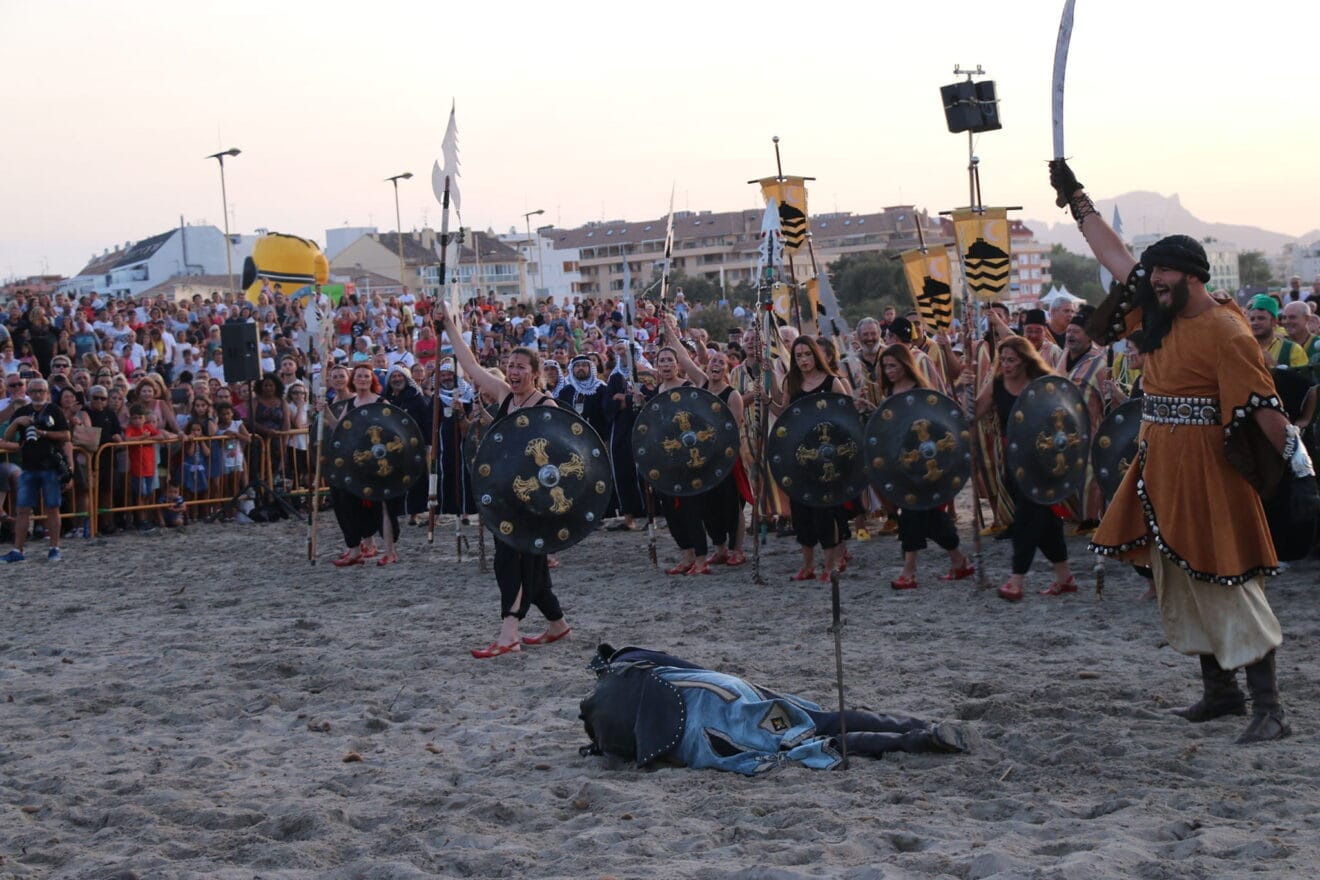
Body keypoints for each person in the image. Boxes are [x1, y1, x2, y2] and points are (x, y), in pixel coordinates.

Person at [1051, 158, 1314, 743]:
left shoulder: (1227, 332)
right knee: (1181, 576)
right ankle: (1220, 692)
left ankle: (1268, 708)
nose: (1152, 280)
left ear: (1192, 276)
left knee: (1230, 577)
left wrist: (1301, 475)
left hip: (1211, 469)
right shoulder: (1157, 311)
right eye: (1153, 273)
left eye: (1164, 272)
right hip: (1160, 463)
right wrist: (1079, 202)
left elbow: (1264, 409)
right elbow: (1114, 257)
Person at [437, 304, 572, 658]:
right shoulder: (503, 396)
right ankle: (556, 624)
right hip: (504, 496)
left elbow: (557, 459)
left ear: (535, 373)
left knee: (511, 561)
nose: (513, 372)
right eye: (510, 366)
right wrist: (449, 323)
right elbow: (470, 365)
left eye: (520, 367)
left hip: (533, 499)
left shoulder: (547, 405)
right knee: (533, 565)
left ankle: (509, 631)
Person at [964, 336, 1076, 601]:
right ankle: (1065, 578)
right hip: (1015, 463)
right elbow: (972, 416)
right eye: (1002, 360)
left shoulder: (1042, 385)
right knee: (1046, 524)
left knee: (1026, 520)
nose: (1006, 364)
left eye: (1011, 360)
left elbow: (1065, 419)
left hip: (1045, 462)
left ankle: (1017, 579)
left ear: (1025, 360)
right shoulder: (997, 385)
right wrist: (965, 388)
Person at [879, 344, 973, 589]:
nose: (888, 371)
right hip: (904, 465)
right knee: (931, 518)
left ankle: (909, 571)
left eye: (893, 365)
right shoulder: (889, 391)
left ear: (904, 365)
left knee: (911, 515)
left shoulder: (922, 392)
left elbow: (940, 425)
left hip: (927, 465)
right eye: (885, 366)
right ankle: (959, 560)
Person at [767, 336, 852, 582]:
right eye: (799, 356)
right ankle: (807, 566)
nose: (803, 359)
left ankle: (829, 565)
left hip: (827, 458)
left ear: (816, 355)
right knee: (801, 513)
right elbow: (784, 415)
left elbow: (847, 418)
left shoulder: (832, 382)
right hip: (801, 457)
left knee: (825, 513)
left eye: (807, 354)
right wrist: (767, 399)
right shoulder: (791, 382)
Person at [2, 378, 69, 562]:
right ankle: (18, 550)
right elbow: (8, 435)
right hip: (29, 467)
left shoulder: (54, 410)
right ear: (29, 393)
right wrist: (17, 423)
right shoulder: (23, 411)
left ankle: (54, 547)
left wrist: (43, 433)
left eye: (41, 391)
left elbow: (66, 435)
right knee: (22, 509)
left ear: (47, 392)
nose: (38, 394)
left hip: (50, 467)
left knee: (52, 508)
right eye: (34, 391)